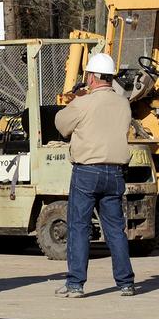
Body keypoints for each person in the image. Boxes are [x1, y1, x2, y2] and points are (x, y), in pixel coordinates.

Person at [53, 52, 136, 298]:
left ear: (90, 77)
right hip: (115, 173)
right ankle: (126, 282)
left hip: (87, 172)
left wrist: (74, 101)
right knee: (115, 229)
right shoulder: (124, 103)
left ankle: (75, 284)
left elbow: (61, 124)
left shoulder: (83, 103)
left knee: (79, 227)